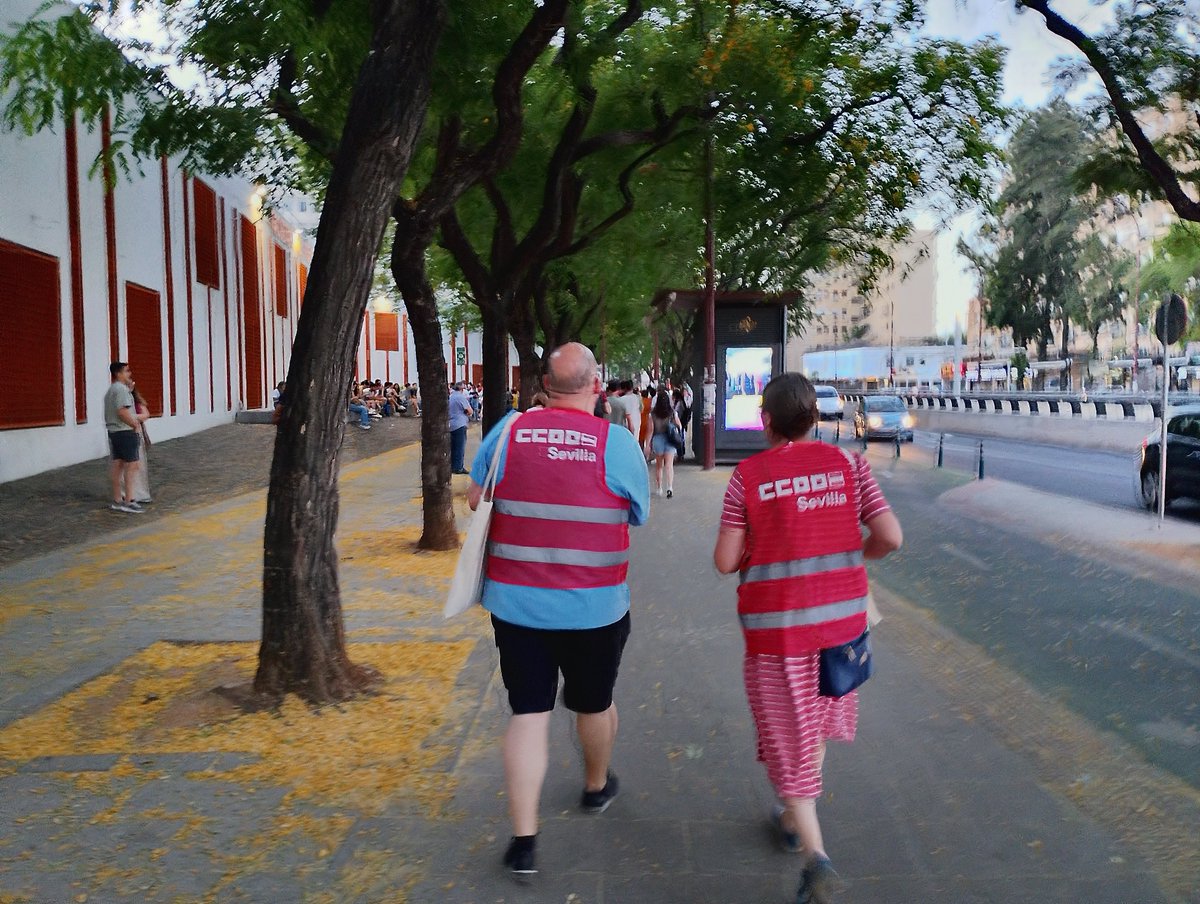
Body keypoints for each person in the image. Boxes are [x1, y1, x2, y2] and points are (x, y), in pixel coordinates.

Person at [713, 373, 902, 904]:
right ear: (815, 418)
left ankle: (815, 858)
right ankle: (794, 817)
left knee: (784, 735)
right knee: (811, 726)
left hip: (781, 635)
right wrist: (851, 556)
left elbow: (726, 560)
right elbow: (891, 537)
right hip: (843, 628)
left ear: (765, 420)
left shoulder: (748, 477)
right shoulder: (850, 465)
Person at [466, 342, 649, 877]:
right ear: (596, 388)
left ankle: (523, 842)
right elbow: (637, 514)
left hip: (517, 607)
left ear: (545, 387)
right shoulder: (615, 443)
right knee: (594, 705)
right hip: (595, 609)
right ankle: (596, 787)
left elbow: (476, 499)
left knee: (528, 713)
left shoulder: (509, 431)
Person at [104, 362, 144, 513]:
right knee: (131, 465)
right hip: (124, 431)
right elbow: (122, 411)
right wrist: (134, 424)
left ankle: (117, 499)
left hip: (114, 432)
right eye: (127, 371)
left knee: (118, 465)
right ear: (118, 373)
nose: (129, 374)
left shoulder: (112, 390)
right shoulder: (120, 390)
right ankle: (129, 500)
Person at [121, 383, 153, 504]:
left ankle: (138, 491)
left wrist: (131, 416)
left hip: (136, 434)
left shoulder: (137, 402)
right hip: (124, 434)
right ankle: (126, 492)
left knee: (138, 465)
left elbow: (146, 415)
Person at [649, 389, 682, 498]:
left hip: (658, 439)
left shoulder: (653, 414)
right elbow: (679, 425)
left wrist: (647, 444)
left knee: (659, 466)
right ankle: (669, 487)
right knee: (669, 465)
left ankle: (659, 489)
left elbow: (650, 430)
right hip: (670, 439)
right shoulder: (672, 412)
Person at [448, 381, 473, 474]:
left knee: (453, 446)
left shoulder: (451, 396)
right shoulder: (460, 397)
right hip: (460, 424)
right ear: (462, 389)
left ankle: (452, 465)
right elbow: (469, 411)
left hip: (451, 424)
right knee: (460, 447)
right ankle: (458, 467)